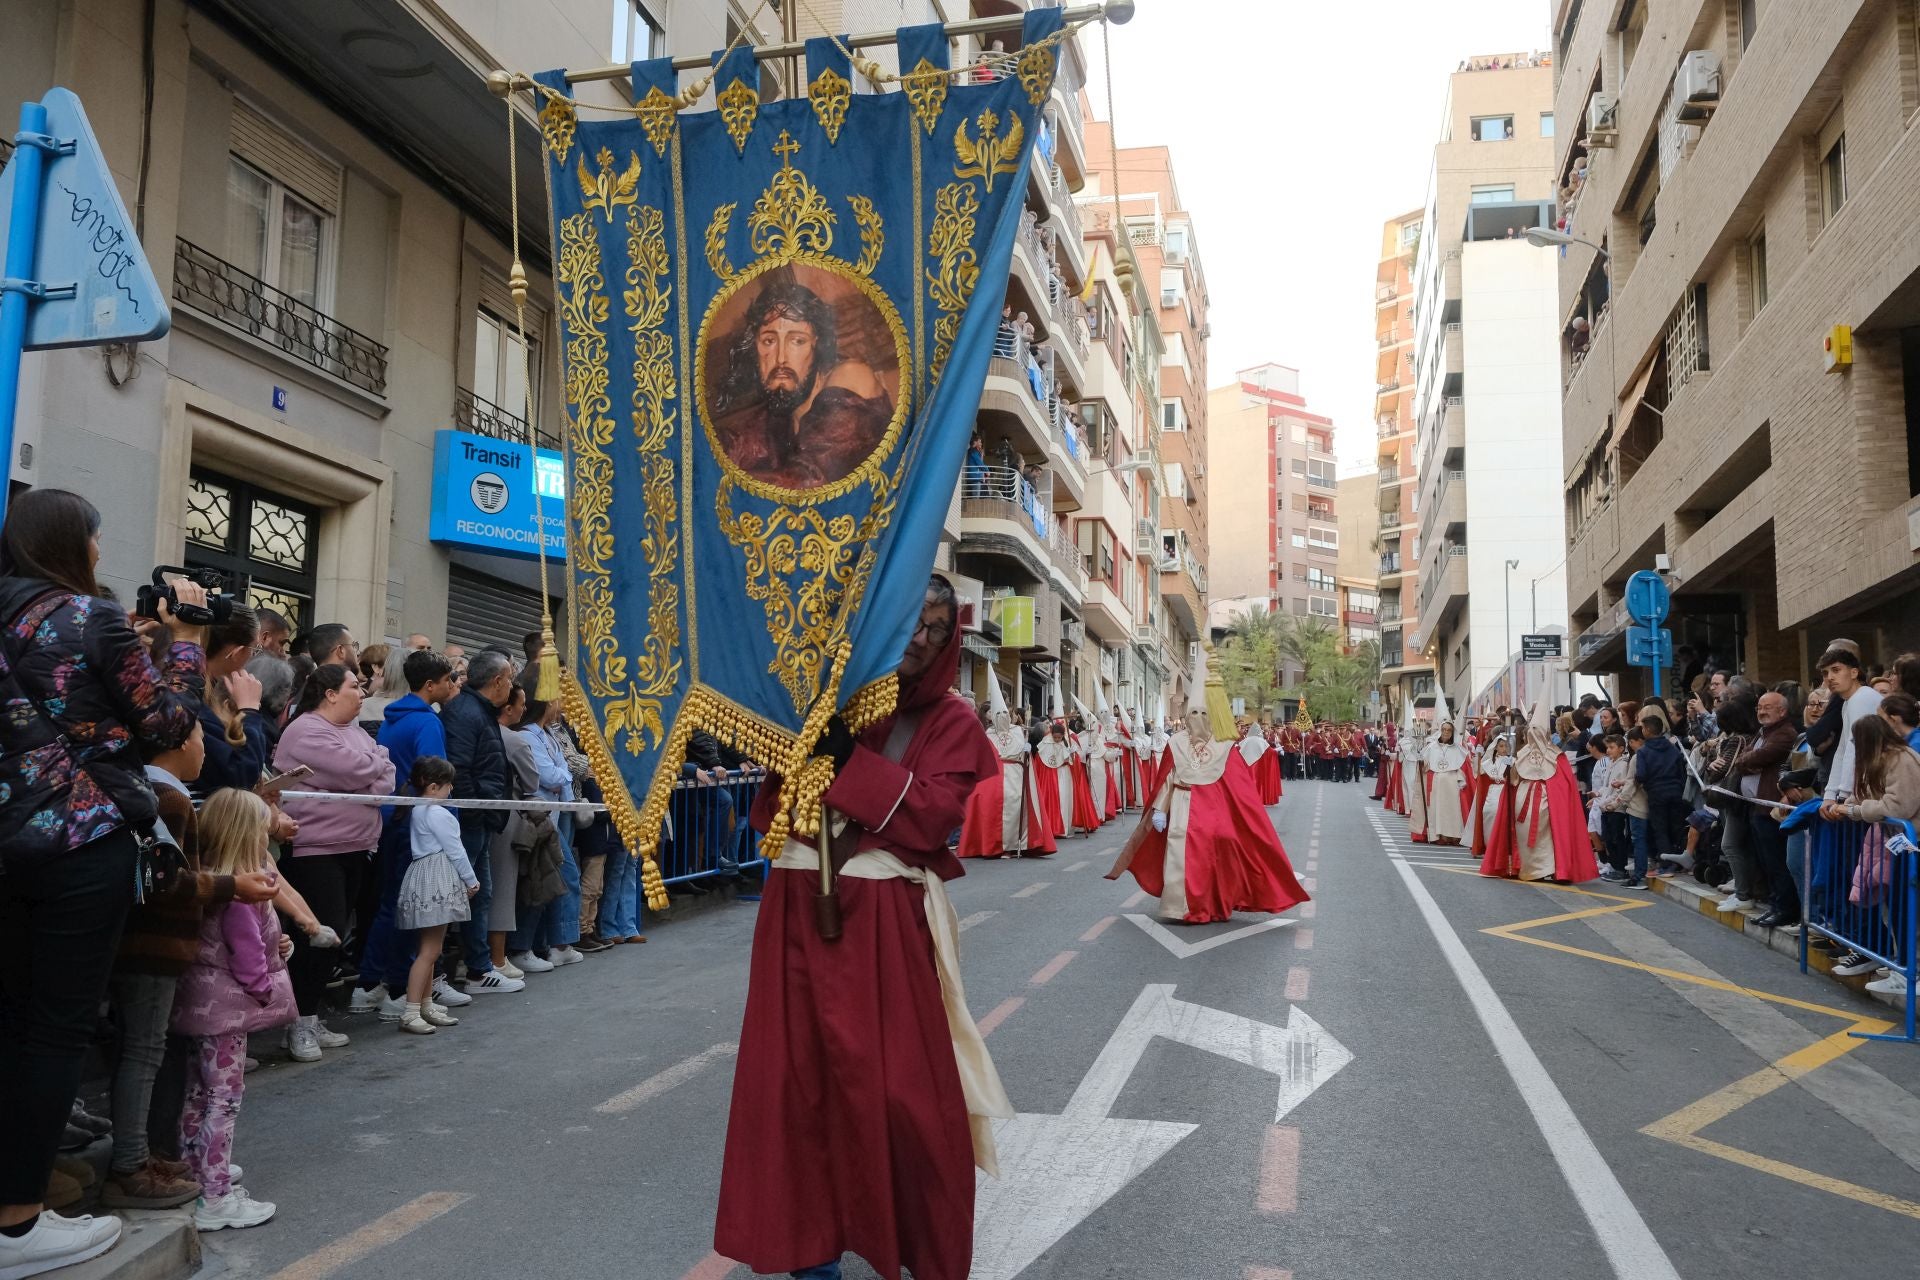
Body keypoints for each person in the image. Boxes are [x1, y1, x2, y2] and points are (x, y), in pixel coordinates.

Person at [715, 575, 1003, 1280]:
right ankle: (811, 1254)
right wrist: (807, 732)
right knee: (795, 1085)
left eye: (938, 629)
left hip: (882, 924)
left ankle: (907, 1247)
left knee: (904, 1096)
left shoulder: (953, 721)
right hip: (793, 911)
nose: (921, 639)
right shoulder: (822, 699)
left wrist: (846, 761)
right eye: (911, 622)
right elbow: (774, 795)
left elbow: (933, 816)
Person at [0, 490, 211, 1278]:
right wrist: (184, 641)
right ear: (74, 545)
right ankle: (19, 1223)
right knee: (55, 1032)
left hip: (5, 843)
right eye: (95, 538)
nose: (98, 553)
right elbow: (165, 726)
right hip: (77, 841)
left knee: (11, 1019)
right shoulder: (89, 618)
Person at [101, 724, 279, 1212]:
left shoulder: (157, 792)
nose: (207, 748)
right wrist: (229, 889)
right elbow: (166, 882)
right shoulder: (168, 800)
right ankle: (196, 1182)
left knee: (186, 1081)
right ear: (180, 743)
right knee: (170, 1068)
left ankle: (183, 1160)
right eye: (202, 736)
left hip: (165, 963)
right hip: (157, 954)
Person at [1106, 646, 1309, 925]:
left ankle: (1214, 902)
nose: (1198, 718)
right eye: (1194, 713)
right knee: (1179, 855)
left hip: (1214, 813)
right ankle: (1181, 906)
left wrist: (1238, 819)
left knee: (1217, 855)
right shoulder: (1175, 743)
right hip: (1180, 806)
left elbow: (1240, 791)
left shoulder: (1225, 746)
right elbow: (1167, 778)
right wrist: (1160, 810)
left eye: (1204, 713)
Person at [169, 789, 296, 1232]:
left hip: (198, 1005)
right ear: (249, 835)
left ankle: (194, 1167)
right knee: (225, 1099)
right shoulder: (246, 890)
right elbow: (247, 958)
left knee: (197, 1094)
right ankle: (216, 1194)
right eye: (265, 830)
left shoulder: (209, 877)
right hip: (226, 1012)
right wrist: (265, 989)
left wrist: (277, 944)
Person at [272, 665, 395, 1061]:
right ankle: (300, 1022)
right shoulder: (306, 730)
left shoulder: (355, 732)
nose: (361, 693)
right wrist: (371, 765)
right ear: (328, 693)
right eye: (354, 686)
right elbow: (360, 769)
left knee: (336, 937)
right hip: (316, 852)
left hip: (357, 847)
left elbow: (385, 777)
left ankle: (308, 1015)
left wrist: (370, 767)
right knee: (317, 938)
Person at [353, 650, 463, 1021]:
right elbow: (433, 783)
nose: (453, 685)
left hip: (393, 818)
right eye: (449, 680)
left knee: (391, 903)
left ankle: (370, 983)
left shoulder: (392, 719)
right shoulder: (428, 724)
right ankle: (400, 987)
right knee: (411, 908)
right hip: (415, 824)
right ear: (430, 685)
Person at [711, 271, 894, 490]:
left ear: (818, 346)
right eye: (769, 341)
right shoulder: (770, 421)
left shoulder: (851, 376)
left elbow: (806, 482)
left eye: (797, 341)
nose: (780, 358)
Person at [441, 650, 523, 993]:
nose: (512, 685)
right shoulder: (465, 713)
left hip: (481, 819)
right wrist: (478, 811)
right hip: (471, 820)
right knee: (463, 895)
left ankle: (479, 969)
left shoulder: (477, 711)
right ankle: (464, 970)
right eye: (509, 678)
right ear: (498, 681)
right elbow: (459, 769)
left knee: (481, 894)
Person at [1830, 715, 1920, 987]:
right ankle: (1901, 966)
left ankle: (1907, 972)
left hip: (1910, 843)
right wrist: (1850, 802)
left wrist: (1856, 810)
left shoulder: (1901, 759)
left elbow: (1897, 807)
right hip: (1900, 844)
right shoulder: (1887, 759)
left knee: (1906, 909)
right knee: (1896, 906)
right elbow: (1873, 794)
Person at [393, 757, 475, 1035]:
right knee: (429, 951)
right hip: (437, 877)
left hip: (424, 874)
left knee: (430, 949)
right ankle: (412, 1010)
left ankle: (425, 1004)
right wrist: (471, 880)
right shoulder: (438, 813)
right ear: (432, 787)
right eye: (447, 785)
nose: (451, 790)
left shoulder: (418, 809)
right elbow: (456, 850)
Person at [507, 692, 586, 971]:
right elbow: (550, 776)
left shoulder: (548, 734)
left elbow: (560, 772)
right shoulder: (528, 736)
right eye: (557, 699)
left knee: (550, 878)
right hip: (538, 817)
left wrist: (561, 774)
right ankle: (529, 946)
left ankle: (545, 944)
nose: (562, 704)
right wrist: (562, 775)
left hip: (554, 813)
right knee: (548, 878)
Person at [958, 680, 1056, 860]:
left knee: (1014, 805)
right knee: (987, 804)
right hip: (993, 775)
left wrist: (1027, 749)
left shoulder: (1019, 731)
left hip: (1015, 774)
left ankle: (1012, 845)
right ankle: (989, 844)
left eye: (1005, 712)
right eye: (998, 713)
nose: (1002, 716)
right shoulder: (987, 734)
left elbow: (1024, 753)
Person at [192, 606, 271, 797]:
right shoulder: (194, 695)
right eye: (254, 650)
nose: (252, 657)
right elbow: (240, 777)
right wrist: (250, 711)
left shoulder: (201, 689)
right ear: (237, 652)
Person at [1818, 643, 1885, 817]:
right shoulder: (1849, 701)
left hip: (1878, 787)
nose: (1830, 677)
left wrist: (1843, 795)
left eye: (1836, 670)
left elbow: (1854, 748)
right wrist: (1831, 794)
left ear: (1854, 672)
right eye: (1825, 673)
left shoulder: (1862, 697)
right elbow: (1842, 750)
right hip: (1867, 788)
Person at [1425, 716, 1469, 847]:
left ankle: (1454, 836)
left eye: (1449, 730)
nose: (1446, 732)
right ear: (1440, 730)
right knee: (1438, 809)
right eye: (1444, 729)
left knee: (1453, 810)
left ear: (1452, 733)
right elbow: (1425, 764)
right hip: (1438, 782)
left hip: (1451, 783)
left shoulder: (1458, 749)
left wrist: (1461, 780)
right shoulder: (1431, 747)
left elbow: (1462, 766)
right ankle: (1440, 835)